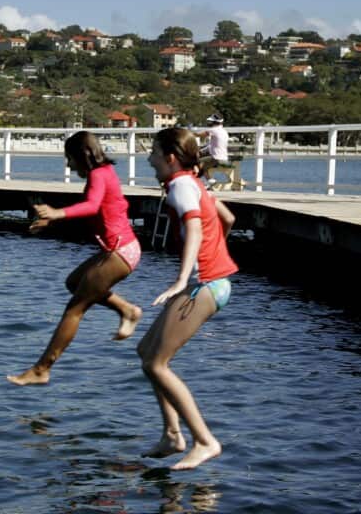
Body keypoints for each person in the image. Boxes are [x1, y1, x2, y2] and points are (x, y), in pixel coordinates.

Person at [8, 131, 144, 386]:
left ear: (82, 156)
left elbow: (91, 206)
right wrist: (51, 222)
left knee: (75, 309)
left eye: (69, 159)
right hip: (123, 248)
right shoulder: (104, 173)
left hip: (120, 251)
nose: (69, 165)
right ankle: (127, 310)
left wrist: (57, 212)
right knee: (74, 283)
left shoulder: (97, 174)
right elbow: (95, 216)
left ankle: (42, 369)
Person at [139, 126, 237, 470]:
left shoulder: (181, 186)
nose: (148, 159)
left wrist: (184, 278)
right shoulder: (194, 184)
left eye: (152, 153)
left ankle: (204, 440)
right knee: (146, 353)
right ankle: (171, 435)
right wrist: (216, 248)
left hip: (203, 286)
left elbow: (195, 227)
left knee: (156, 363)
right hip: (213, 281)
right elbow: (228, 218)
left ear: (169, 158)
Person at [196, 114, 230, 182]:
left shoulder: (213, 130)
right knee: (203, 163)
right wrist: (202, 151)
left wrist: (188, 133)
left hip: (216, 159)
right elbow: (213, 146)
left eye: (210, 122)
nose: (209, 123)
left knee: (197, 162)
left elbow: (198, 135)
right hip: (225, 158)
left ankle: (210, 181)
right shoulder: (224, 131)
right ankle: (209, 181)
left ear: (214, 122)